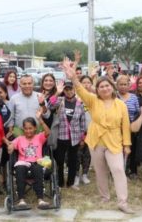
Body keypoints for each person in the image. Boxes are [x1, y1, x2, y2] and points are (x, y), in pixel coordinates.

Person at [62, 56, 134, 214]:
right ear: (98, 89)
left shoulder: (121, 104)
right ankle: (104, 197)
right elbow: (80, 90)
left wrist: (127, 145)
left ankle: (123, 201)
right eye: (101, 87)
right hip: (96, 141)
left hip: (114, 141)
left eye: (107, 86)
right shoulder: (93, 100)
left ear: (112, 87)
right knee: (100, 171)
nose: (105, 89)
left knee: (118, 169)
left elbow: (126, 125)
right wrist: (73, 76)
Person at [8, 109, 50, 208]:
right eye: (26, 128)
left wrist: (40, 120)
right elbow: (11, 146)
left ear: (35, 128)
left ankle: (40, 199)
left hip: (37, 163)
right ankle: (21, 200)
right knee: (20, 168)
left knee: (37, 167)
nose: (28, 131)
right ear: (23, 129)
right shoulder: (19, 139)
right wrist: (10, 147)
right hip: (23, 164)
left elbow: (48, 132)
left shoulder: (39, 137)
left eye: (30, 128)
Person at [49, 81, 86, 189]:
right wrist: (57, 93)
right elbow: (49, 105)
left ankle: (70, 183)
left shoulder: (79, 103)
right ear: (64, 90)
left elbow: (82, 121)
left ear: (74, 90)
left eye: (70, 89)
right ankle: (60, 182)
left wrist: (82, 137)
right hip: (61, 136)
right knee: (60, 160)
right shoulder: (60, 101)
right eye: (66, 89)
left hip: (75, 137)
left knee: (73, 160)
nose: (69, 91)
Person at [116, 75, 140, 179]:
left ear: (129, 85)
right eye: (120, 84)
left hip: (130, 128)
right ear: (116, 85)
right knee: (117, 151)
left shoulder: (134, 97)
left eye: (125, 84)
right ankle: (118, 171)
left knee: (131, 150)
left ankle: (132, 170)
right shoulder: (113, 96)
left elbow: (138, 112)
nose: (123, 86)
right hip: (116, 129)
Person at [74, 76, 93, 186]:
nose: (86, 84)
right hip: (78, 132)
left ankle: (85, 174)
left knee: (87, 154)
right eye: (84, 82)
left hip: (91, 131)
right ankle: (76, 175)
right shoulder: (76, 97)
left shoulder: (94, 97)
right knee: (77, 154)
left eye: (88, 82)